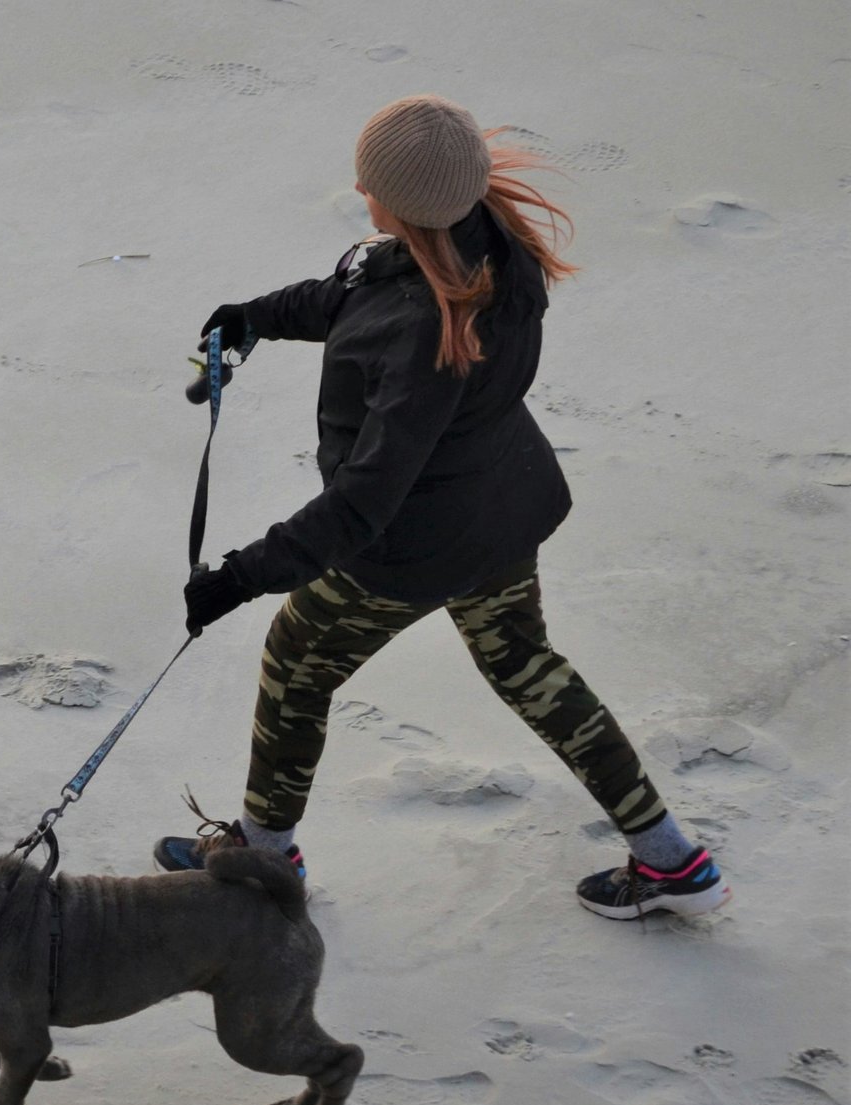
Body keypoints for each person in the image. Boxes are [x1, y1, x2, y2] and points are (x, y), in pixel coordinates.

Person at [155, 94, 730, 922]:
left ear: (406, 201)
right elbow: (349, 294)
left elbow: (361, 505)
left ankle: (264, 857)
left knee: (295, 661)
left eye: (371, 181)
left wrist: (242, 577)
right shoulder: (478, 242)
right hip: (499, 513)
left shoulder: (426, 331)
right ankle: (672, 859)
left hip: (411, 547)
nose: (360, 189)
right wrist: (257, 318)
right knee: (530, 670)